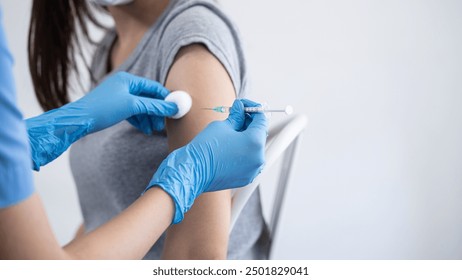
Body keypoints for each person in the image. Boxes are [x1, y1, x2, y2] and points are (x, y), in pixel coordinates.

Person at [0, 6, 267, 259]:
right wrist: (187, 177)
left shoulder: (192, 40)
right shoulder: (111, 48)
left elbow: (197, 258)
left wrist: (34, 137)